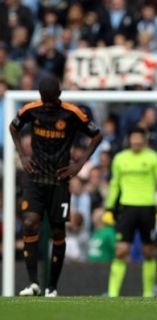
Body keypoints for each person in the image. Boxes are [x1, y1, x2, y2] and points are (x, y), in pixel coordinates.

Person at [10, 76, 102, 297]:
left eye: (51, 101)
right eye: (45, 100)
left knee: (58, 230)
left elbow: (97, 135)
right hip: (35, 177)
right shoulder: (31, 109)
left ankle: (52, 286)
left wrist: (79, 165)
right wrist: (22, 156)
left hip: (60, 179)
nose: (48, 105)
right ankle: (33, 283)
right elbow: (13, 128)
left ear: (59, 96)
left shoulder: (73, 113)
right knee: (31, 223)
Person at [106, 126, 157, 298]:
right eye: (133, 138)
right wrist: (108, 207)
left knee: (149, 252)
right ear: (129, 140)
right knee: (121, 250)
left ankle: (148, 294)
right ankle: (113, 294)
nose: (135, 141)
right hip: (126, 208)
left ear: (144, 140)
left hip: (147, 208)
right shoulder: (120, 158)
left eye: (138, 138)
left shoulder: (153, 158)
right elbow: (114, 184)